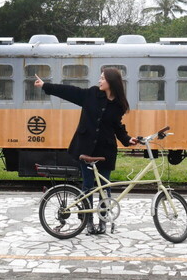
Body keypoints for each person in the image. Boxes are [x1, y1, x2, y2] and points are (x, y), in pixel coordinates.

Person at [34, 68, 137, 234]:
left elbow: (117, 126)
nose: (99, 81)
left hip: (106, 151)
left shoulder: (119, 104)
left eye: (102, 78)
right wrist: (46, 86)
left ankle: (103, 220)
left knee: (105, 187)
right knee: (88, 186)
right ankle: (88, 220)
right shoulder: (92, 94)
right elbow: (70, 92)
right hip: (86, 149)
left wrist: (127, 139)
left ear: (111, 82)